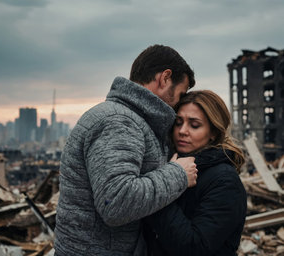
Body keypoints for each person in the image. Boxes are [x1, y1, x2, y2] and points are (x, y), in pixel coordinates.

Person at [54, 44, 198, 256]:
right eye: (180, 94)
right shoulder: (119, 122)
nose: (178, 104)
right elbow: (116, 203)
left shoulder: (132, 120)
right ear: (165, 78)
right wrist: (178, 174)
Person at [144, 90, 247, 256]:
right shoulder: (170, 163)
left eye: (194, 125)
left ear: (213, 133)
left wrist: (165, 186)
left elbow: (195, 247)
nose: (182, 131)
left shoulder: (224, 181)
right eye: (178, 122)